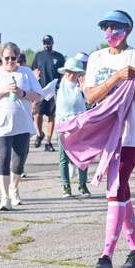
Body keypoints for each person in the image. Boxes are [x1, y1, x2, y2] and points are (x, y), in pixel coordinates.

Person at [58, 10, 135, 268]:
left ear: (129, 30)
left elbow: (126, 97)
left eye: (116, 27)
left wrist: (118, 81)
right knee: (121, 191)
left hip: (130, 134)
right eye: (106, 28)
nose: (110, 33)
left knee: (115, 190)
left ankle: (106, 257)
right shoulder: (96, 58)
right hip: (107, 134)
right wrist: (116, 77)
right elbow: (91, 96)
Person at [0, 41, 42, 211]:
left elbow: (39, 95)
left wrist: (22, 93)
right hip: (0, 124)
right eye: (7, 58)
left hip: (22, 123)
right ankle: (4, 196)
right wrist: (4, 90)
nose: (10, 61)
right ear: (1, 57)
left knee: (19, 160)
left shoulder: (26, 72)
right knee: (3, 157)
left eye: (14, 58)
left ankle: (14, 187)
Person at [55, 58, 89, 197]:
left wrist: (84, 90)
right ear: (65, 71)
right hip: (62, 124)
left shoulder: (82, 85)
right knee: (63, 157)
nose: (72, 75)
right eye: (70, 72)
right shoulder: (57, 84)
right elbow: (40, 95)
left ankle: (82, 185)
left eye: (76, 72)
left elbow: (92, 100)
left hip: (79, 124)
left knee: (82, 156)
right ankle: (66, 186)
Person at [31, 35, 66, 152]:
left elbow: (63, 74)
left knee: (51, 116)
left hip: (54, 90)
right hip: (41, 90)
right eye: (44, 43)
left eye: (48, 43)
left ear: (52, 43)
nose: (46, 45)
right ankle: (40, 134)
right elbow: (34, 72)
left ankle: (48, 142)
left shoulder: (59, 57)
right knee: (38, 115)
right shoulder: (39, 56)